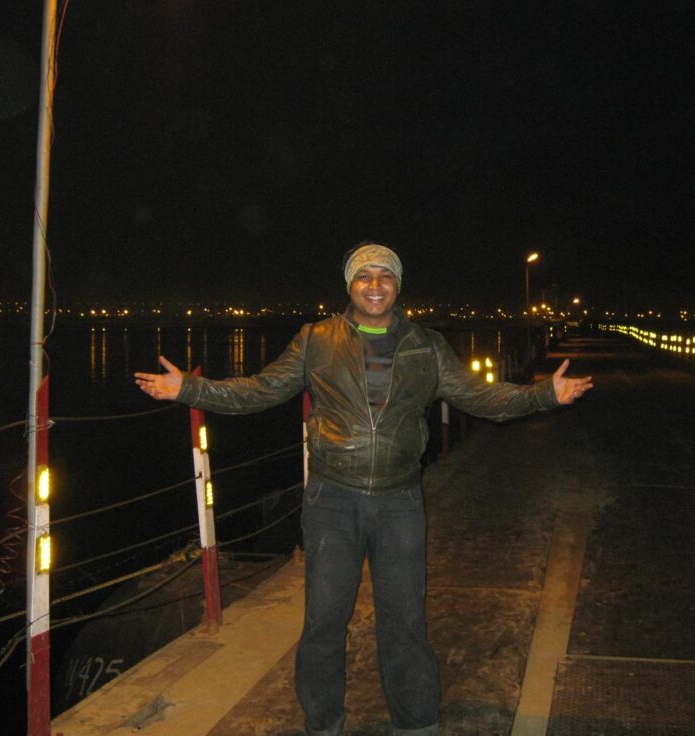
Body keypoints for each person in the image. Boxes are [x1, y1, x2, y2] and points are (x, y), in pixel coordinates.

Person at [134, 242, 592, 735]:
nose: (375, 285)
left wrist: (544, 394)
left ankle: (416, 723)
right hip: (332, 501)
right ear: (349, 285)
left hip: (399, 501)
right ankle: (324, 722)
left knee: (405, 624)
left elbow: (479, 397)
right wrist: (190, 390)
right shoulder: (316, 340)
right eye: (364, 276)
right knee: (324, 624)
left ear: (398, 285)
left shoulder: (427, 345)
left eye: (385, 276)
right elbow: (261, 390)